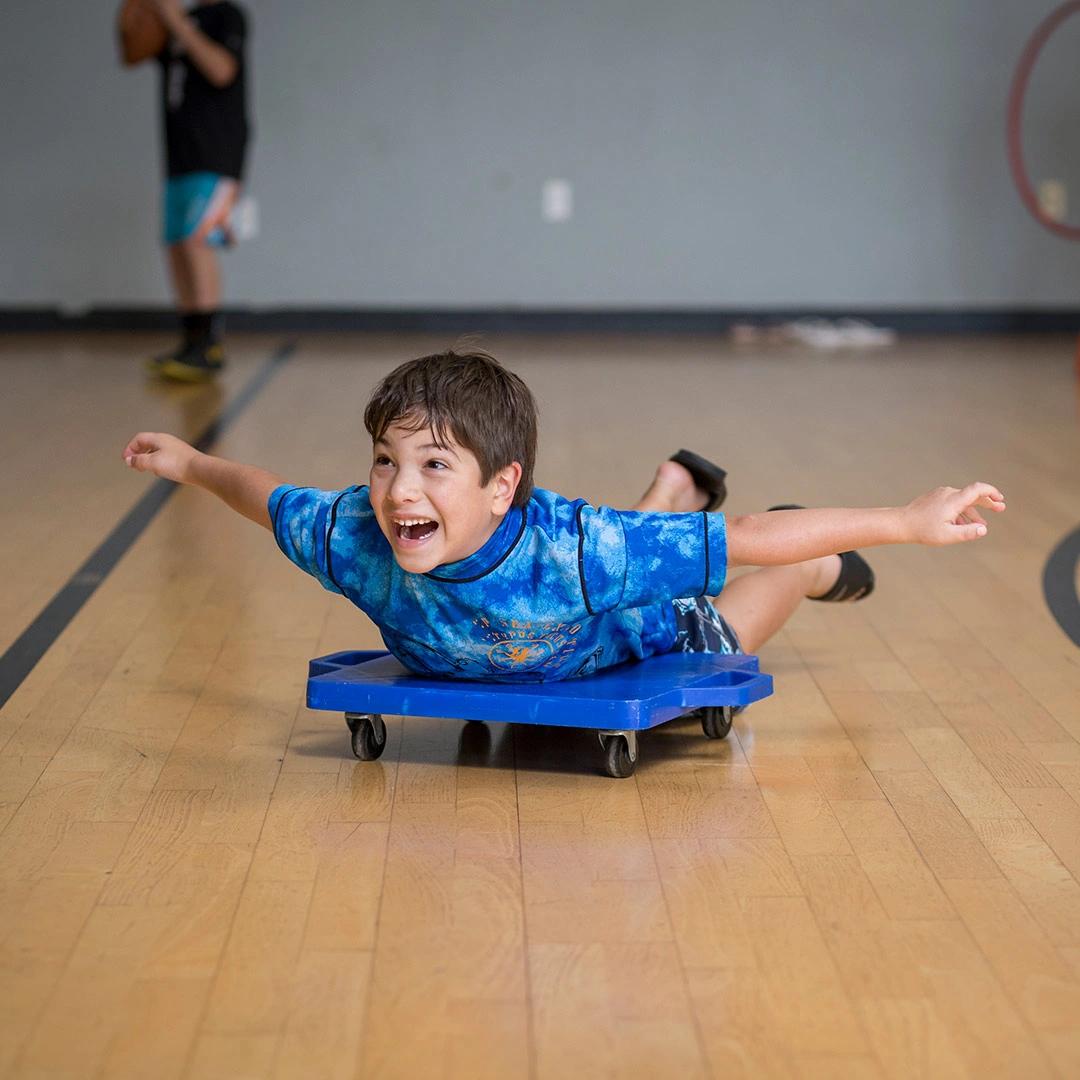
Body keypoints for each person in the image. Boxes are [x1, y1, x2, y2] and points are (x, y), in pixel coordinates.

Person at [121, 350, 1006, 682]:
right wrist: (193, 463)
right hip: (595, 577)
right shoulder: (355, 531)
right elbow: (265, 494)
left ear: (501, 487)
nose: (400, 491)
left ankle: (804, 573)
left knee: (715, 626)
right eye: (386, 463)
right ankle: (671, 490)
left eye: (434, 467)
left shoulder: (574, 551)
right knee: (629, 551)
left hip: (626, 632)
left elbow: (745, 542)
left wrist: (905, 517)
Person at [117, 0, 250, 382]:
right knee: (176, 246)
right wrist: (132, 18)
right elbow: (131, 54)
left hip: (216, 153)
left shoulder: (226, 15)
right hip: (179, 156)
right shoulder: (178, 20)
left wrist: (174, 19)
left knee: (197, 241)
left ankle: (210, 345)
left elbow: (222, 70)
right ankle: (191, 343)